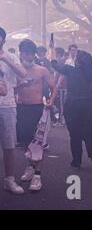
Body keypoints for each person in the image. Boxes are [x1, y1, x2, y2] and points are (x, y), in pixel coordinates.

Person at [51, 50, 92, 170]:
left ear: (77, 61)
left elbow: (55, 65)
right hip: (89, 105)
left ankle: (77, 160)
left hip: (72, 105)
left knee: (75, 135)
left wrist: (54, 58)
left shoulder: (70, 70)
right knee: (89, 132)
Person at [15, 39, 55, 192]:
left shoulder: (42, 70)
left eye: (32, 54)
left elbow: (53, 87)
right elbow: (11, 91)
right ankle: (30, 167)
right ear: (21, 54)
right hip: (21, 108)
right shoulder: (16, 70)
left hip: (38, 108)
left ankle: (37, 174)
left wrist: (50, 102)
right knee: (25, 141)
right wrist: (22, 85)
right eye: (27, 54)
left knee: (38, 142)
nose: (30, 57)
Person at [0, 27, 27, 194]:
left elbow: (23, 73)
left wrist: (5, 59)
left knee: (9, 145)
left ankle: (9, 180)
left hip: (7, 106)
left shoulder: (10, 57)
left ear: (3, 40)